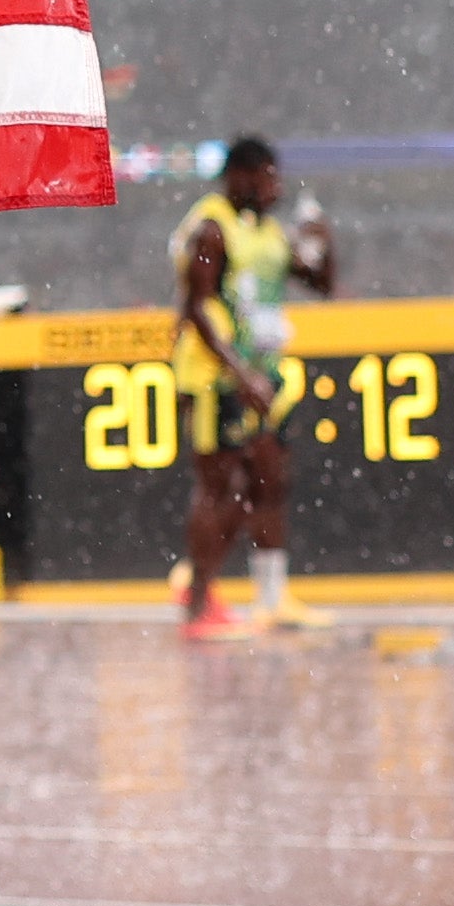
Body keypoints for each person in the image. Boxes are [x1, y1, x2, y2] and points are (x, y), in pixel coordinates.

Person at [174, 135, 336, 637]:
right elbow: (195, 308)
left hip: (265, 376)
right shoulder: (212, 229)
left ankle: (271, 598)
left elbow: (320, 285)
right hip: (216, 379)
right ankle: (198, 605)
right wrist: (238, 374)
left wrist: (319, 241)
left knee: (269, 484)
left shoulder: (266, 233)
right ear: (239, 177)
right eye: (266, 176)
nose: (275, 187)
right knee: (219, 489)